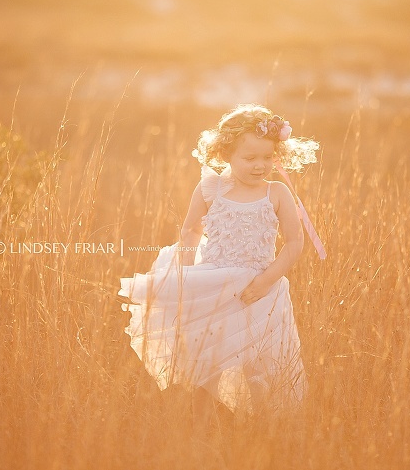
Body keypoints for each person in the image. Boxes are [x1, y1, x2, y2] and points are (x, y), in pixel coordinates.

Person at [118, 103, 324, 434]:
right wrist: (184, 276)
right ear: (226, 153)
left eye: (268, 157)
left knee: (261, 366)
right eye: (250, 158)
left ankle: (263, 432)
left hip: (260, 291)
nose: (260, 166)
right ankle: (203, 427)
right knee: (207, 360)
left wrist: (266, 280)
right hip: (214, 286)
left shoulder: (277, 192)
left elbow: (294, 243)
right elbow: (190, 232)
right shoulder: (211, 188)